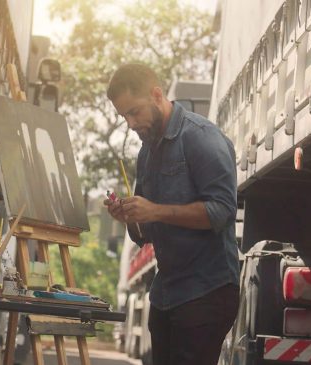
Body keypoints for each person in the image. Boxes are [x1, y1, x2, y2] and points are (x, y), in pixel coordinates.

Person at [104, 63, 240, 365]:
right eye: (123, 115)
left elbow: (222, 211)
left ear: (156, 95)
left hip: (207, 291)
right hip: (166, 294)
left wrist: (155, 210)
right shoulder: (147, 153)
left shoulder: (202, 137)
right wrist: (130, 216)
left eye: (134, 111)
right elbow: (148, 230)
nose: (129, 122)